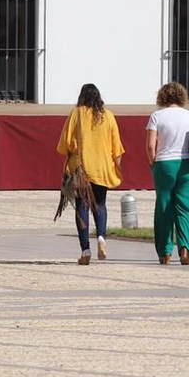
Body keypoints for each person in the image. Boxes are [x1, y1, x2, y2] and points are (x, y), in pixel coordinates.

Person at [56, 83, 124, 266]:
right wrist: (118, 168)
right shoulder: (108, 116)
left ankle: (85, 249)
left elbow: (65, 144)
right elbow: (117, 149)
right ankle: (101, 238)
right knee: (100, 204)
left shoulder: (76, 114)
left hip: (81, 169)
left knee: (82, 206)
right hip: (102, 168)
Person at [146, 81, 189, 265]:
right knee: (187, 208)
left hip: (164, 163)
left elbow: (150, 145)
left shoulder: (156, 116)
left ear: (162, 97)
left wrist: (153, 164)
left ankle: (165, 252)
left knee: (164, 207)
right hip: (188, 164)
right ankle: (186, 248)